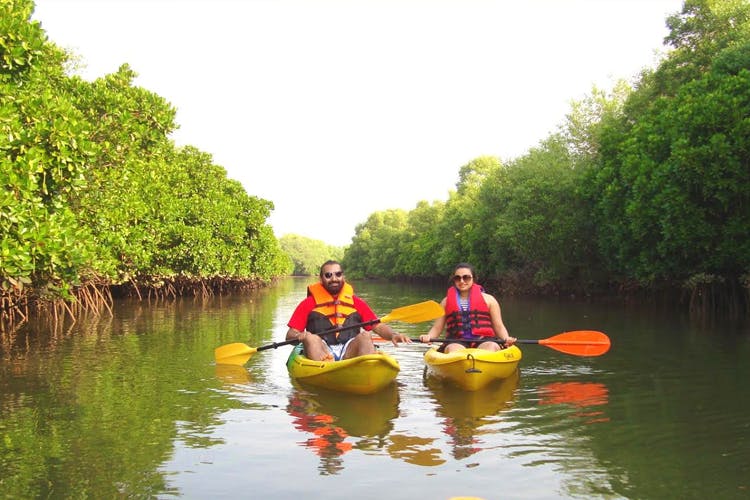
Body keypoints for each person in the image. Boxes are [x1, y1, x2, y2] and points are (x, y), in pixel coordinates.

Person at [286, 260, 410, 361]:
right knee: (310, 338)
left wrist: (393, 335)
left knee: (366, 336)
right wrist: (300, 336)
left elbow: (377, 326)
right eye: (328, 275)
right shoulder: (308, 304)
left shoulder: (356, 302)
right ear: (321, 278)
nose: (334, 278)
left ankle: (366, 370)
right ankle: (326, 368)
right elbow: (289, 335)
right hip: (321, 349)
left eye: (338, 274)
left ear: (343, 276)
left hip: (350, 350)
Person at [419, 263, 516, 352]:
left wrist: (506, 338)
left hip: (484, 339)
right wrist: (428, 336)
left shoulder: (490, 300)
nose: (462, 281)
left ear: (473, 278)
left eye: (466, 278)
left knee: (491, 346)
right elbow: (437, 328)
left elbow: (498, 326)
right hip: (456, 341)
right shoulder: (445, 301)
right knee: (453, 349)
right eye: (457, 278)